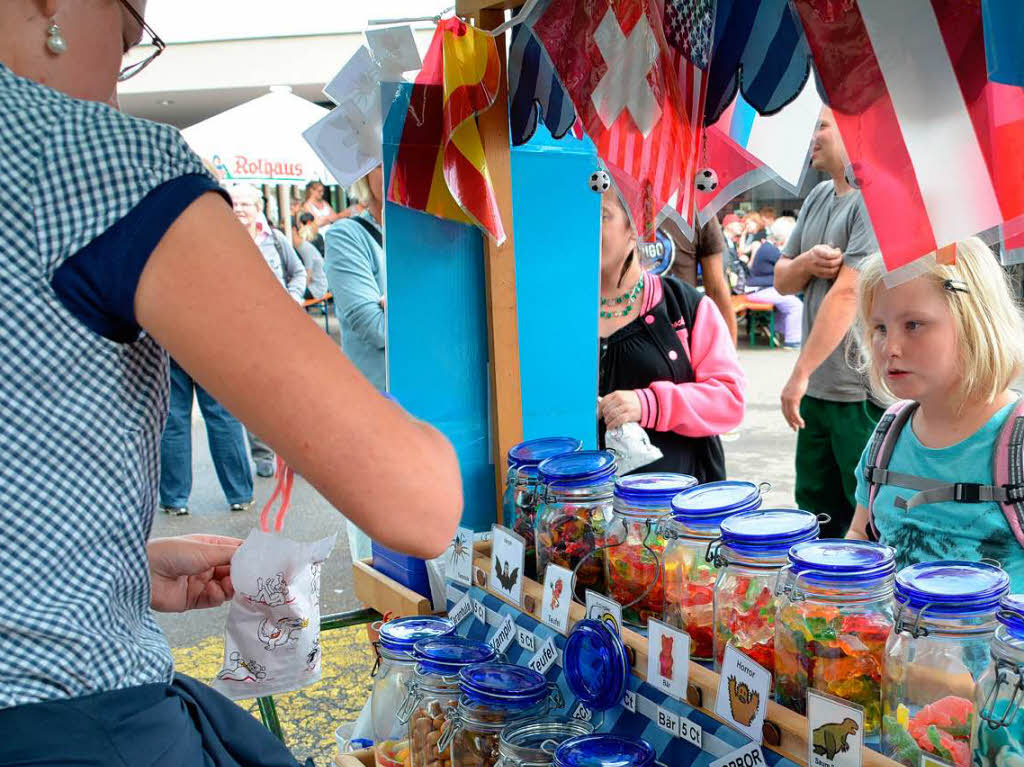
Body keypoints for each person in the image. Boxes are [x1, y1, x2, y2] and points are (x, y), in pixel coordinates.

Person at [0, 3, 462, 763]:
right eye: (124, 38)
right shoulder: (84, 159)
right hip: (69, 726)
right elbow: (419, 499)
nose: (116, 80)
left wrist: (121, 565)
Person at [846, 239, 1024, 588]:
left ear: (975, 322)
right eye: (880, 328)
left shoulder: (1017, 442)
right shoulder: (889, 433)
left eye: (913, 325)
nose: (890, 348)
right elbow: (861, 532)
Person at [774, 108, 881, 538]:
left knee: (863, 518)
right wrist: (806, 262)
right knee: (814, 511)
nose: (812, 138)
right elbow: (782, 279)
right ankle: (821, 600)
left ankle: (858, 601)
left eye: (821, 126)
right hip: (818, 389)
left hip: (858, 390)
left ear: (853, 131)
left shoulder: (870, 199)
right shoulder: (818, 196)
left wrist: (798, 374)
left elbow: (849, 293)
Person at [597, 189, 746, 480]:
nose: (584, 226)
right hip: (579, 511)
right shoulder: (558, 312)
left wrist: (650, 403)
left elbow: (729, 401)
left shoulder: (685, 306)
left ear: (636, 226)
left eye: (602, 215)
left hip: (677, 504)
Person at [229, 183, 307, 477]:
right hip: (240, 330)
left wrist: (295, 296)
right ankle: (263, 454)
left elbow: (298, 272)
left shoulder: (273, 239)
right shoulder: (221, 240)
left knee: (287, 391)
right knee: (255, 395)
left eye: (245, 204)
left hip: (278, 329)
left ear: (258, 208)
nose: (239, 210)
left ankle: (295, 452)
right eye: (234, 203)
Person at [159, 358, 254, 515]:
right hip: (209, 343)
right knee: (222, 416)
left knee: (174, 420)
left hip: (171, 343)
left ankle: (174, 499)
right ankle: (240, 494)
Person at [324, 166, 386, 392]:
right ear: (364, 176)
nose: (392, 167)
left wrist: (398, 305)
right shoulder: (346, 235)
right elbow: (376, 328)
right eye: (380, 164)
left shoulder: (430, 236)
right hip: (380, 398)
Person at [663, 215, 739, 345]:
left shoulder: (696, 208)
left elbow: (716, 289)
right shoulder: (620, 203)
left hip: (680, 339)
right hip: (624, 339)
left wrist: (729, 354)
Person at [745, 216, 803, 349]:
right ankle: (793, 341)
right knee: (795, 305)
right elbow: (792, 266)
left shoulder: (768, 247)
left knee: (790, 302)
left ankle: (775, 328)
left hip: (760, 289)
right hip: (759, 291)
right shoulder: (771, 250)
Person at [292, 215, 328, 300]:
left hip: (316, 288)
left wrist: (298, 289)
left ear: (293, 230)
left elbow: (308, 273)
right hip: (318, 285)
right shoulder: (300, 247)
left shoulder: (304, 247)